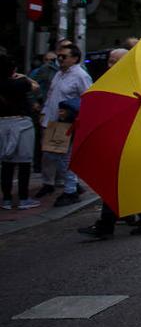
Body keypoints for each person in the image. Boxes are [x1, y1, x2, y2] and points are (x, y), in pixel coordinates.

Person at [77, 48, 141, 237]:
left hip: (138, 140)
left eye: (116, 62)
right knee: (127, 181)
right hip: (121, 138)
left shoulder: (139, 83)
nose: (111, 66)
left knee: (125, 180)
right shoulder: (109, 84)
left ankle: (112, 224)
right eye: (110, 61)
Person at [39, 42, 91, 205]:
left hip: (68, 123)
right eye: (58, 56)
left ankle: (71, 191)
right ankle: (72, 184)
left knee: (64, 157)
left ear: (75, 58)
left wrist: (73, 114)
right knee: (53, 155)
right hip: (53, 122)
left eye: (64, 56)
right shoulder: (59, 74)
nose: (60, 59)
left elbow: (88, 99)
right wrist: (44, 114)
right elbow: (51, 96)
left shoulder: (80, 75)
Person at [0, 55, 39, 210]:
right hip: (22, 123)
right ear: (13, 69)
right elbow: (35, 87)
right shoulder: (20, 82)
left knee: (7, 163)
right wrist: (25, 77)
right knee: (24, 163)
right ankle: (23, 198)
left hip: (2, 124)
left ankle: (7, 199)